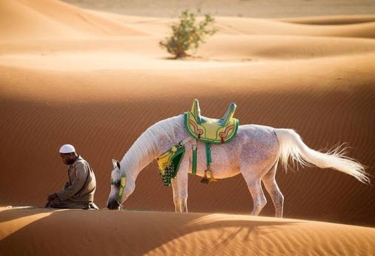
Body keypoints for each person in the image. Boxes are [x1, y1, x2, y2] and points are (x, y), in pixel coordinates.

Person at [46, 144, 99, 210]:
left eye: (63, 157)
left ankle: (86, 206)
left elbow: (77, 184)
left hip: (81, 199)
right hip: (76, 197)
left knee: (55, 203)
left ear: (70, 154)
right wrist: (58, 194)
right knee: (54, 201)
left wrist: (58, 195)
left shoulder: (80, 164)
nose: (63, 160)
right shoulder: (74, 165)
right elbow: (69, 185)